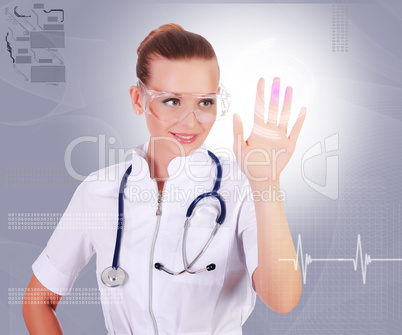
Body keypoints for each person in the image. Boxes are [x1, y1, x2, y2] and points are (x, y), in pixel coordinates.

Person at [23, 23, 305, 334]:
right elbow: (38, 299)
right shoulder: (99, 190)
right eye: (172, 100)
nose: (191, 120)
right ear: (138, 99)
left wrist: (266, 184)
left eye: (205, 102)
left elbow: (282, 299)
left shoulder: (241, 186)